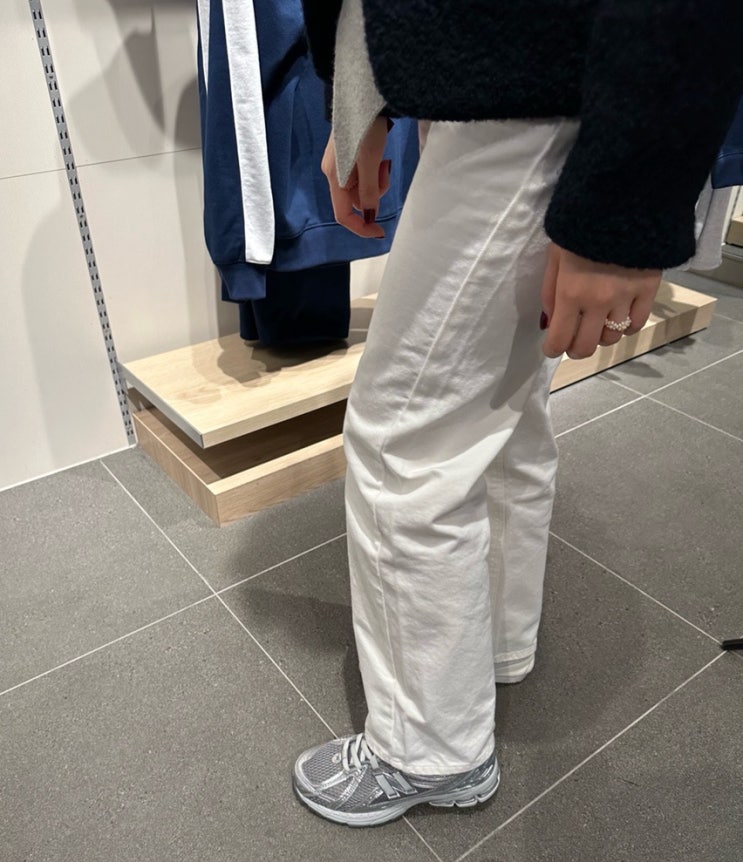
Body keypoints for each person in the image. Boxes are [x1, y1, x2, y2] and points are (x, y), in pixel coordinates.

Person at [291, 0, 743, 827]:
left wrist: (619, 213)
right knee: (496, 413)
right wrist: (359, 103)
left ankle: (428, 751)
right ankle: (496, 646)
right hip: (497, 81)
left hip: (544, 92)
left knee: (404, 444)